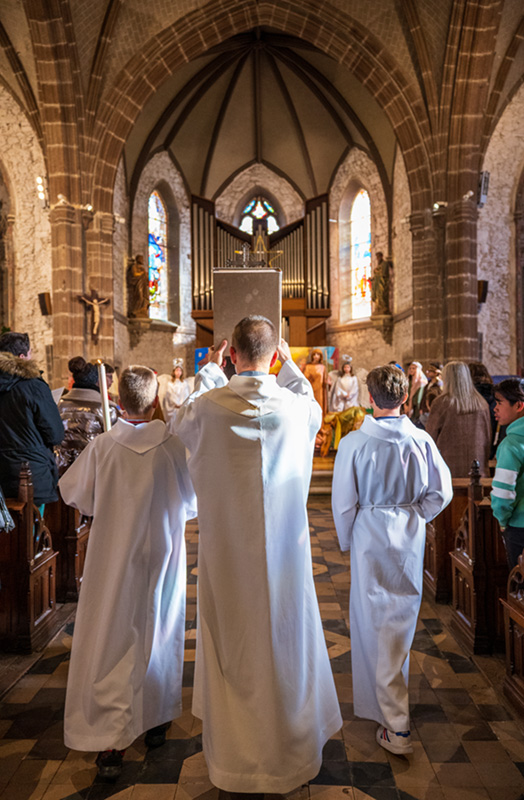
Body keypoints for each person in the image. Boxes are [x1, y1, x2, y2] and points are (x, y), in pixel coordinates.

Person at [171, 315, 342, 793]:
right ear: (272, 354)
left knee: (233, 645)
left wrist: (209, 370)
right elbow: (312, 403)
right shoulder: (295, 408)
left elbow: (176, 419)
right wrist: (289, 365)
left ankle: (236, 759)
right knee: (286, 638)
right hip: (286, 555)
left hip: (227, 557)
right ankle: (289, 750)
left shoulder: (207, 408)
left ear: (232, 356)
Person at [59, 366, 196, 780]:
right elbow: (193, 502)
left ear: (118, 402)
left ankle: (113, 742)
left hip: (113, 557)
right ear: (155, 402)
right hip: (163, 554)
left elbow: (77, 497)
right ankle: (155, 721)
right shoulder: (174, 448)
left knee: (115, 637)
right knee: (158, 630)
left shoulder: (103, 447)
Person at [332, 364, 452, 755]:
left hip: (369, 533)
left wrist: (347, 541)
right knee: (400, 619)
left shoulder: (353, 443)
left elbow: (344, 503)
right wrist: (417, 514)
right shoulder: (420, 440)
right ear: (405, 398)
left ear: (369, 398)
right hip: (408, 534)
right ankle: (389, 713)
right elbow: (441, 492)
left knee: (371, 623)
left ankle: (395, 723)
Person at [0, 332, 64, 507]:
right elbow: (55, 434)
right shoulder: (34, 386)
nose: (32, 356)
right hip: (31, 473)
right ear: (22, 357)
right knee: (31, 529)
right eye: (30, 352)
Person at [426, 361, 491, 477]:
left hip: (448, 469)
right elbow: (487, 435)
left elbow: (430, 437)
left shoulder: (441, 403)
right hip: (478, 467)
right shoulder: (481, 403)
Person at [55, 356, 119, 475]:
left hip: (62, 470)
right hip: (94, 470)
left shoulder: (58, 404)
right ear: (97, 381)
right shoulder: (107, 408)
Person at [490, 378, 524, 569]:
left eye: (500, 403)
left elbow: (503, 493)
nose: (495, 408)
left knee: (519, 590)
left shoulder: (511, 445)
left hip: (519, 526)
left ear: (518, 405)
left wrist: (502, 520)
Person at [417, 361, 443, 429]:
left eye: (430, 371)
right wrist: (421, 408)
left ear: (435, 372)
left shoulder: (439, 385)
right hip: (425, 410)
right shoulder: (428, 384)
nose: (428, 373)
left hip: (432, 411)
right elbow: (424, 397)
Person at [304, 348, 328, 416]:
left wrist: (327, 381)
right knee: (310, 405)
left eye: (318, 355)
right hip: (310, 389)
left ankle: (320, 424)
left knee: (319, 406)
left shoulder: (322, 367)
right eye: (314, 354)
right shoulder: (308, 366)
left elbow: (324, 379)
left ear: (320, 357)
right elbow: (305, 378)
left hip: (319, 391)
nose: (316, 356)